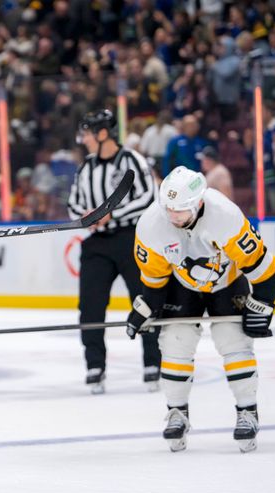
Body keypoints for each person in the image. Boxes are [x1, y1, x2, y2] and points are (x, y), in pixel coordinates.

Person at [127, 166, 275, 453]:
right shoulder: (151, 224)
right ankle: (177, 412)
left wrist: (262, 303)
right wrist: (146, 306)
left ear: (198, 203)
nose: (173, 216)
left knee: (233, 340)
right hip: (182, 284)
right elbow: (154, 278)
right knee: (175, 342)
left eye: (180, 210)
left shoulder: (225, 215)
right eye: (168, 208)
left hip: (228, 280)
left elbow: (267, 269)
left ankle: (247, 412)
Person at [67, 109, 161, 394]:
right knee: (90, 307)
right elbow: (73, 203)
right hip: (97, 243)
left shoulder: (132, 159)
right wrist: (87, 217)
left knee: (143, 299)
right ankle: (94, 365)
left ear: (102, 133)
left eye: (87, 133)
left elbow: (148, 196)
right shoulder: (86, 167)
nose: (83, 139)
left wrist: (111, 214)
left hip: (131, 237)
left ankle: (152, 362)